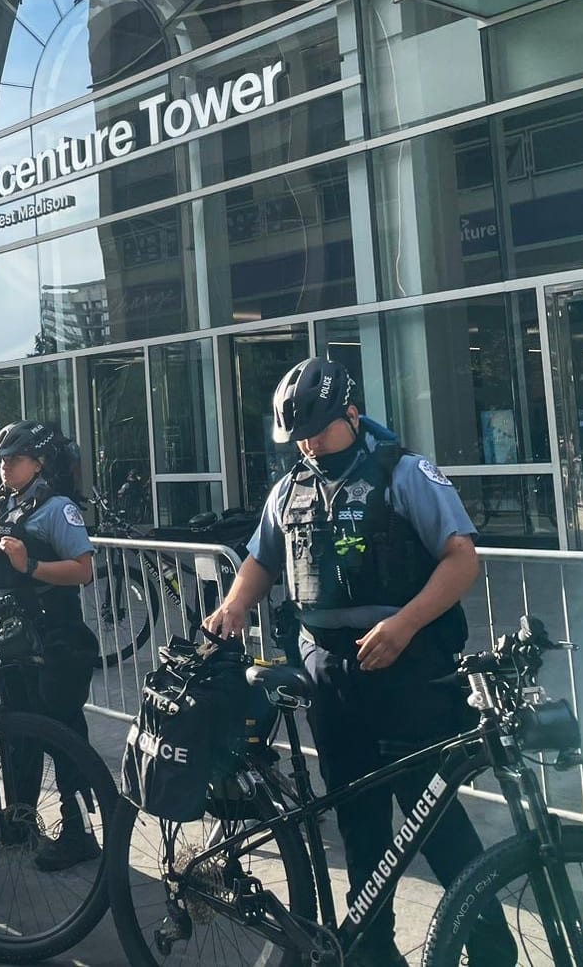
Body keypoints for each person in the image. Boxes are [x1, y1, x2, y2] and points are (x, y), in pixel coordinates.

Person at [201, 358, 515, 967]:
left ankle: (492, 951)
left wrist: (404, 623)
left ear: (351, 412)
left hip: (408, 669)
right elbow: (262, 561)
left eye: (320, 429)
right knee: (360, 823)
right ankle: (374, 949)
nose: (310, 443)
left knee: (438, 820)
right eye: (299, 435)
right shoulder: (289, 487)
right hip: (329, 675)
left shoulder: (404, 473)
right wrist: (234, 606)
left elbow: (461, 559)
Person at [0, 421, 100, 872]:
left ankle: (78, 832)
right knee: (15, 731)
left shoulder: (57, 509)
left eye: (13, 460)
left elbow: (83, 570)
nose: (4, 467)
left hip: (53, 638)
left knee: (62, 734)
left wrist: (31, 563)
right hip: (11, 639)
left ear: (38, 463)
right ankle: (19, 820)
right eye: (0, 461)